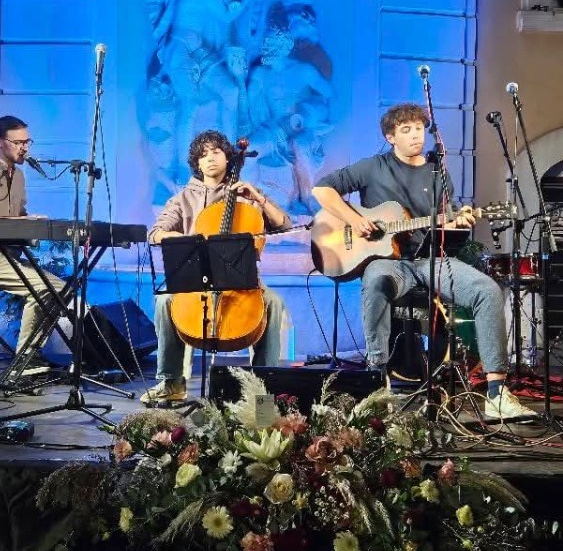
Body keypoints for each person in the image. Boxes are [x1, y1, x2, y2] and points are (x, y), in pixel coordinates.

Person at [312, 102, 536, 422]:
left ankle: (497, 394)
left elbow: (443, 223)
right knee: (376, 281)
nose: (416, 135)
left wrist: (459, 221)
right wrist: (354, 219)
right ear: (391, 137)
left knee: (487, 290)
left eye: (419, 128)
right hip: (389, 261)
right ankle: (378, 382)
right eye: (406, 130)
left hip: (431, 258)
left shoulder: (437, 172)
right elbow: (321, 189)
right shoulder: (373, 167)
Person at [141, 129, 292, 405]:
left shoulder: (245, 196)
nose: (210, 158)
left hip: (241, 280)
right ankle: (171, 382)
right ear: (196, 163)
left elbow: (284, 224)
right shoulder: (182, 198)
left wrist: (258, 198)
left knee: (273, 302)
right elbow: (155, 233)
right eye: (203, 154)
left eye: (216, 152)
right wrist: (181, 238)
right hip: (196, 279)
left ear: (228, 158)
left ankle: (263, 387)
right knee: (164, 302)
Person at [0, 115, 65, 370]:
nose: (25, 148)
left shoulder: (18, 177)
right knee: (44, 287)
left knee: (59, 288)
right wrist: (21, 222)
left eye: (27, 142)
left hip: (8, 257)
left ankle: (31, 355)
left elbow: (17, 217)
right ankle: (25, 361)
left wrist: (31, 221)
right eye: (18, 142)